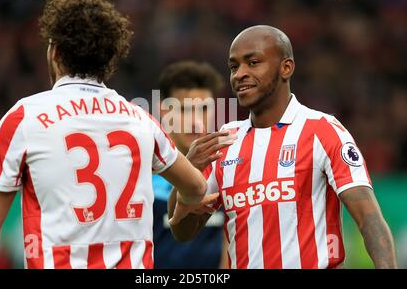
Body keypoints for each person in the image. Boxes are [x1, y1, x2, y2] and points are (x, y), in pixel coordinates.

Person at [0, 0, 214, 269]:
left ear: (55, 52)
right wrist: (181, 212)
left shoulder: (24, 118)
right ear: (109, 61)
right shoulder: (141, 120)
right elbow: (196, 186)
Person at [169, 25, 398, 269]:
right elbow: (182, 232)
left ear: (286, 68)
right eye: (234, 67)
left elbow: (369, 217)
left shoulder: (322, 130)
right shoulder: (225, 142)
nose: (239, 74)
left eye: (253, 62)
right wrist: (188, 173)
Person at [153, 61, 227, 268]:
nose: (195, 120)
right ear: (164, 111)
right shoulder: (142, 173)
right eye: (184, 109)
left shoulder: (227, 168)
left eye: (203, 108)